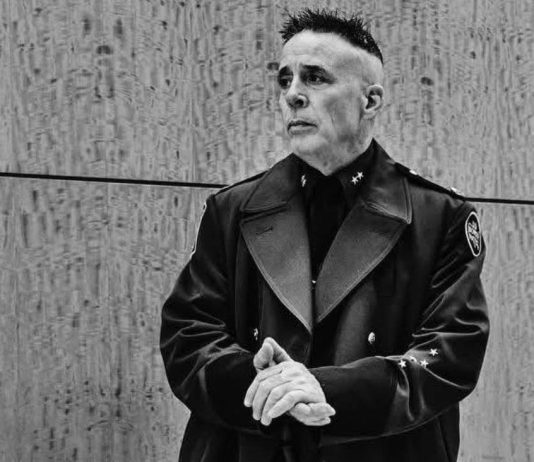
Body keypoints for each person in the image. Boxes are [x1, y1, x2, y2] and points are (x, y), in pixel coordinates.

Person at [160, 8, 489, 462]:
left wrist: (328, 389)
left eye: (314, 78)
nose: (292, 94)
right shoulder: (232, 209)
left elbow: (450, 352)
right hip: (250, 447)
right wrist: (264, 384)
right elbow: (187, 336)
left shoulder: (440, 217)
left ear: (370, 101)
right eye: (284, 80)